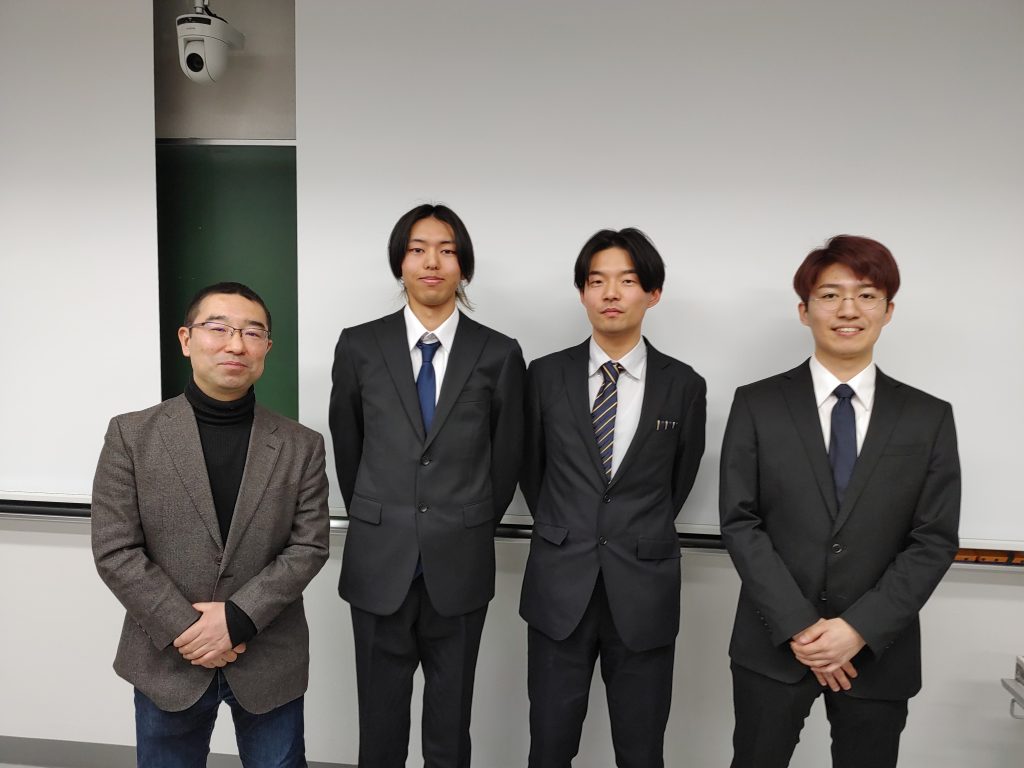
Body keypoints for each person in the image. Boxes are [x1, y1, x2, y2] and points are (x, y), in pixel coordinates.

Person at [719, 235, 961, 767]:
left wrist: (857, 629)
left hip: (878, 651)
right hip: (774, 643)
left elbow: (934, 539)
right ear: (804, 311)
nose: (848, 310)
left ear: (888, 310)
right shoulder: (757, 404)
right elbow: (740, 522)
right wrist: (802, 627)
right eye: (830, 295)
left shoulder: (928, 417)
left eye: (867, 295)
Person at [92, 282, 330, 768]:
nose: (235, 344)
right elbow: (115, 549)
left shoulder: (301, 445)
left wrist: (239, 618)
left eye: (252, 332)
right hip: (167, 657)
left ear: (266, 348)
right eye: (218, 328)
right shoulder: (131, 434)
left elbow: (309, 546)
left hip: (269, 654)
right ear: (186, 339)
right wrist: (189, 628)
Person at [329, 203, 525, 768]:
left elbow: (507, 457)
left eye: (446, 250)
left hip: (459, 562)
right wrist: (383, 515)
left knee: (450, 726)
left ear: (464, 265)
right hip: (378, 561)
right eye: (418, 250)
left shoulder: (499, 353)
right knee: (379, 727)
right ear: (400, 262)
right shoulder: (359, 346)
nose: (432, 262)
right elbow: (349, 447)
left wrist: (462, 522)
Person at [519, 228, 707, 768]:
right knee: (549, 744)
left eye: (627, 281)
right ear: (582, 292)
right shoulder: (543, 376)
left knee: (641, 748)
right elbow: (531, 469)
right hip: (560, 585)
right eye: (597, 281)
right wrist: (568, 523)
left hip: (644, 589)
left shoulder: (684, 385)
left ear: (653, 293)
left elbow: (678, 479)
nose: (610, 293)